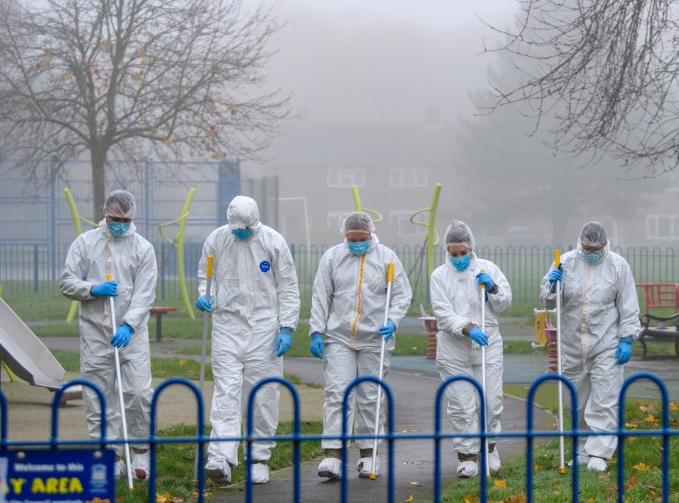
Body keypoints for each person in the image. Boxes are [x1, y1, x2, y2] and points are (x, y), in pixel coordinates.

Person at [195, 196, 300, 485]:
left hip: (264, 326)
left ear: (254, 222)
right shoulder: (217, 239)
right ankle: (221, 456)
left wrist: (286, 326)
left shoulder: (273, 242)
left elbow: (288, 286)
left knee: (263, 394)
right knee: (226, 391)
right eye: (235, 228)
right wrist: (207, 296)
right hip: (227, 323)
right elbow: (208, 276)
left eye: (244, 228)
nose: (239, 232)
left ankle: (259, 456)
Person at [60, 190, 156, 482]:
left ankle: (141, 450)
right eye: (115, 219)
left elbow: (145, 293)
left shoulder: (143, 248)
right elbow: (66, 282)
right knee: (99, 396)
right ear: (106, 214)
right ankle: (110, 454)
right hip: (94, 332)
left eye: (126, 220)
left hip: (131, 333)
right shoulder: (86, 243)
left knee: (138, 392)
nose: (120, 224)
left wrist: (129, 325)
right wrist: (92, 288)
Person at [309, 212, 412, 479]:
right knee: (337, 393)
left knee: (370, 396)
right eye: (352, 239)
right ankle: (333, 454)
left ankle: (369, 454)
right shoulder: (332, 257)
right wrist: (316, 331)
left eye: (362, 239)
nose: (357, 244)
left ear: (370, 235)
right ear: (345, 236)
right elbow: (321, 295)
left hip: (375, 336)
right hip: (339, 336)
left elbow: (402, 294)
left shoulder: (387, 257)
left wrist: (393, 320)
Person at [540, 221, 641, 473]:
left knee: (605, 397)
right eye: (587, 247)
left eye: (596, 248)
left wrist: (627, 338)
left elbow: (628, 304)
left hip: (606, 342)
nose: (592, 252)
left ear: (605, 246)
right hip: (572, 343)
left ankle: (600, 453)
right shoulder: (565, 263)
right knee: (577, 401)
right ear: (580, 244)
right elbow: (548, 302)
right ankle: (582, 449)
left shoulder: (617, 266)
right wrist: (552, 285)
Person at [430, 220, 513, 478]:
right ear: (447, 252)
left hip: (488, 345)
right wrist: (467, 328)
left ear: (471, 249)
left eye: (463, 253)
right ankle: (467, 456)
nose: (459, 258)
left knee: (491, 400)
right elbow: (442, 313)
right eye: (453, 254)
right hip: (454, 349)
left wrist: (493, 289)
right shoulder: (439, 276)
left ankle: (489, 449)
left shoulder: (488, 269)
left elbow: (505, 304)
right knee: (461, 405)